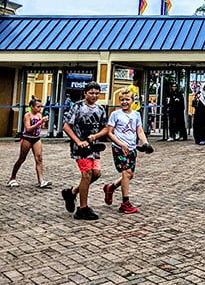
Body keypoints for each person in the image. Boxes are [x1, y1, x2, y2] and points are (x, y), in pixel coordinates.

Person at [61, 82, 109, 220]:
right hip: (80, 148)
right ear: (85, 93)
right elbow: (66, 127)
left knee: (96, 173)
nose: (94, 96)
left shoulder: (100, 109)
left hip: (94, 146)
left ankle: (72, 192)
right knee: (87, 174)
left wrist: (96, 136)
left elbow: (106, 128)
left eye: (96, 93)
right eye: (91, 93)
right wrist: (78, 141)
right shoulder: (77, 107)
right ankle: (82, 208)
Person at [102, 88, 151, 214]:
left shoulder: (136, 115)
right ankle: (125, 203)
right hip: (119, 148)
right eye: (122, 100)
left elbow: (139, 130)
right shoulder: (115, 114)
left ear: (132, 101)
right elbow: (110, 132)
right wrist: (120, 144)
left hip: (132, 147)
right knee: (126, 173)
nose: (124, 102)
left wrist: (145, 143)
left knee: (130, 175)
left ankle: (110, 188)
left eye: (127, 99)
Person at [7, 98, 51, 188]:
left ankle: (41, 180)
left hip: (36, 138)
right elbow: (28, 128)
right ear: (32, 107)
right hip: (27, 138)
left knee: (39, 158)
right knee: (22, 158)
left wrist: (44, 123)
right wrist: (39, 123)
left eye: (40, 106)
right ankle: (12, 178)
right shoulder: (27, 115)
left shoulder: (39, 114)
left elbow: (40, 127)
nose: (39, 108)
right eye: (38, 106)